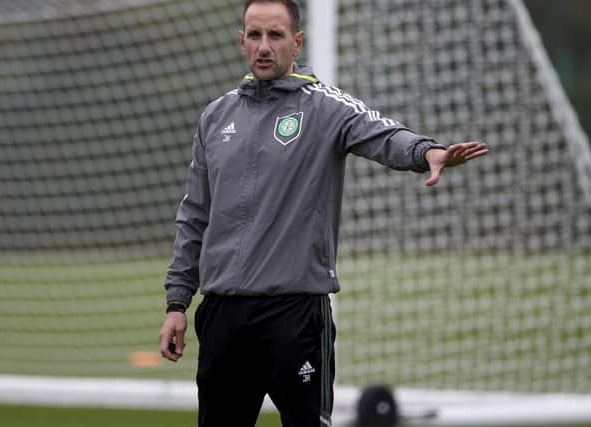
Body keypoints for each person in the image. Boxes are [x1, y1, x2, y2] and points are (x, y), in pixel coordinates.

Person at [159, 1, 489, 426]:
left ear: (296, 42)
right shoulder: (215, 117)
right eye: (254, 35)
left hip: (294, 317)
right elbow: (195, 217)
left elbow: (381, 132)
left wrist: (427, 152)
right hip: (224, 316)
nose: (263, 46)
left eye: (275, 35)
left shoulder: (323, 107)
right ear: (241, 40)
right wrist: (177, 302)